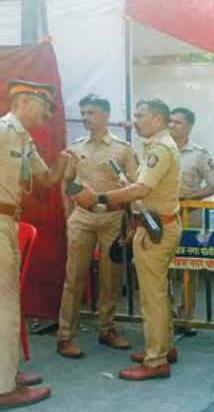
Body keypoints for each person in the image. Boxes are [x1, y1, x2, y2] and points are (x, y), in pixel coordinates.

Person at [73, 98, 182, 381]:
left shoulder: (160, 148)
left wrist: (99, 197)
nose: (134, 121)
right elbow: (143, 188)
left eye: (140, 115)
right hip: (157, 225)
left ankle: (156, 360)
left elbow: (142, 190)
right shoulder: (158, 146)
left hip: (157, 229)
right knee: (158, 293)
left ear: (158, 120)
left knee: (152, 297)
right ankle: (164, 347)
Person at [1, 79, 75, 407]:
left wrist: (65, 159)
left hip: (8, 223)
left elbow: (47, 178)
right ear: (24, 102)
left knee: (8, 305)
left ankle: (6, 372)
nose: (48, 114)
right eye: (44, 106)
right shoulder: (3, 130)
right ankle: (4, 389)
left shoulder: (23, 138)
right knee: (4, 308)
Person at [56, 94, 138, 359]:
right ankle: (65, 336)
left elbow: (135, 187)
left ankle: (107, 329)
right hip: (82, 218)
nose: (85, 117)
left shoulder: (123, 149)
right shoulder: (76, 147)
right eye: (83, 113)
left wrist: (132, 223)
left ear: (105, 114)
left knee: (110, 278)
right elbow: (66, 181)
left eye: (90, 112)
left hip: (113, 218)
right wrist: (69, 217)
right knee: (74, 278)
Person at [169, 107, 214, 332]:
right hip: (164, 215)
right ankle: (168, 314)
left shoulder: (199, 154)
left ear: (189, 126)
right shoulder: (160, 149)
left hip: (189, 217)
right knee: (163, 266)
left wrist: (192, 196)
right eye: (170, 122)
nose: (172, 126)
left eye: (178, 122)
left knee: (189, 267)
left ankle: (187, 316)